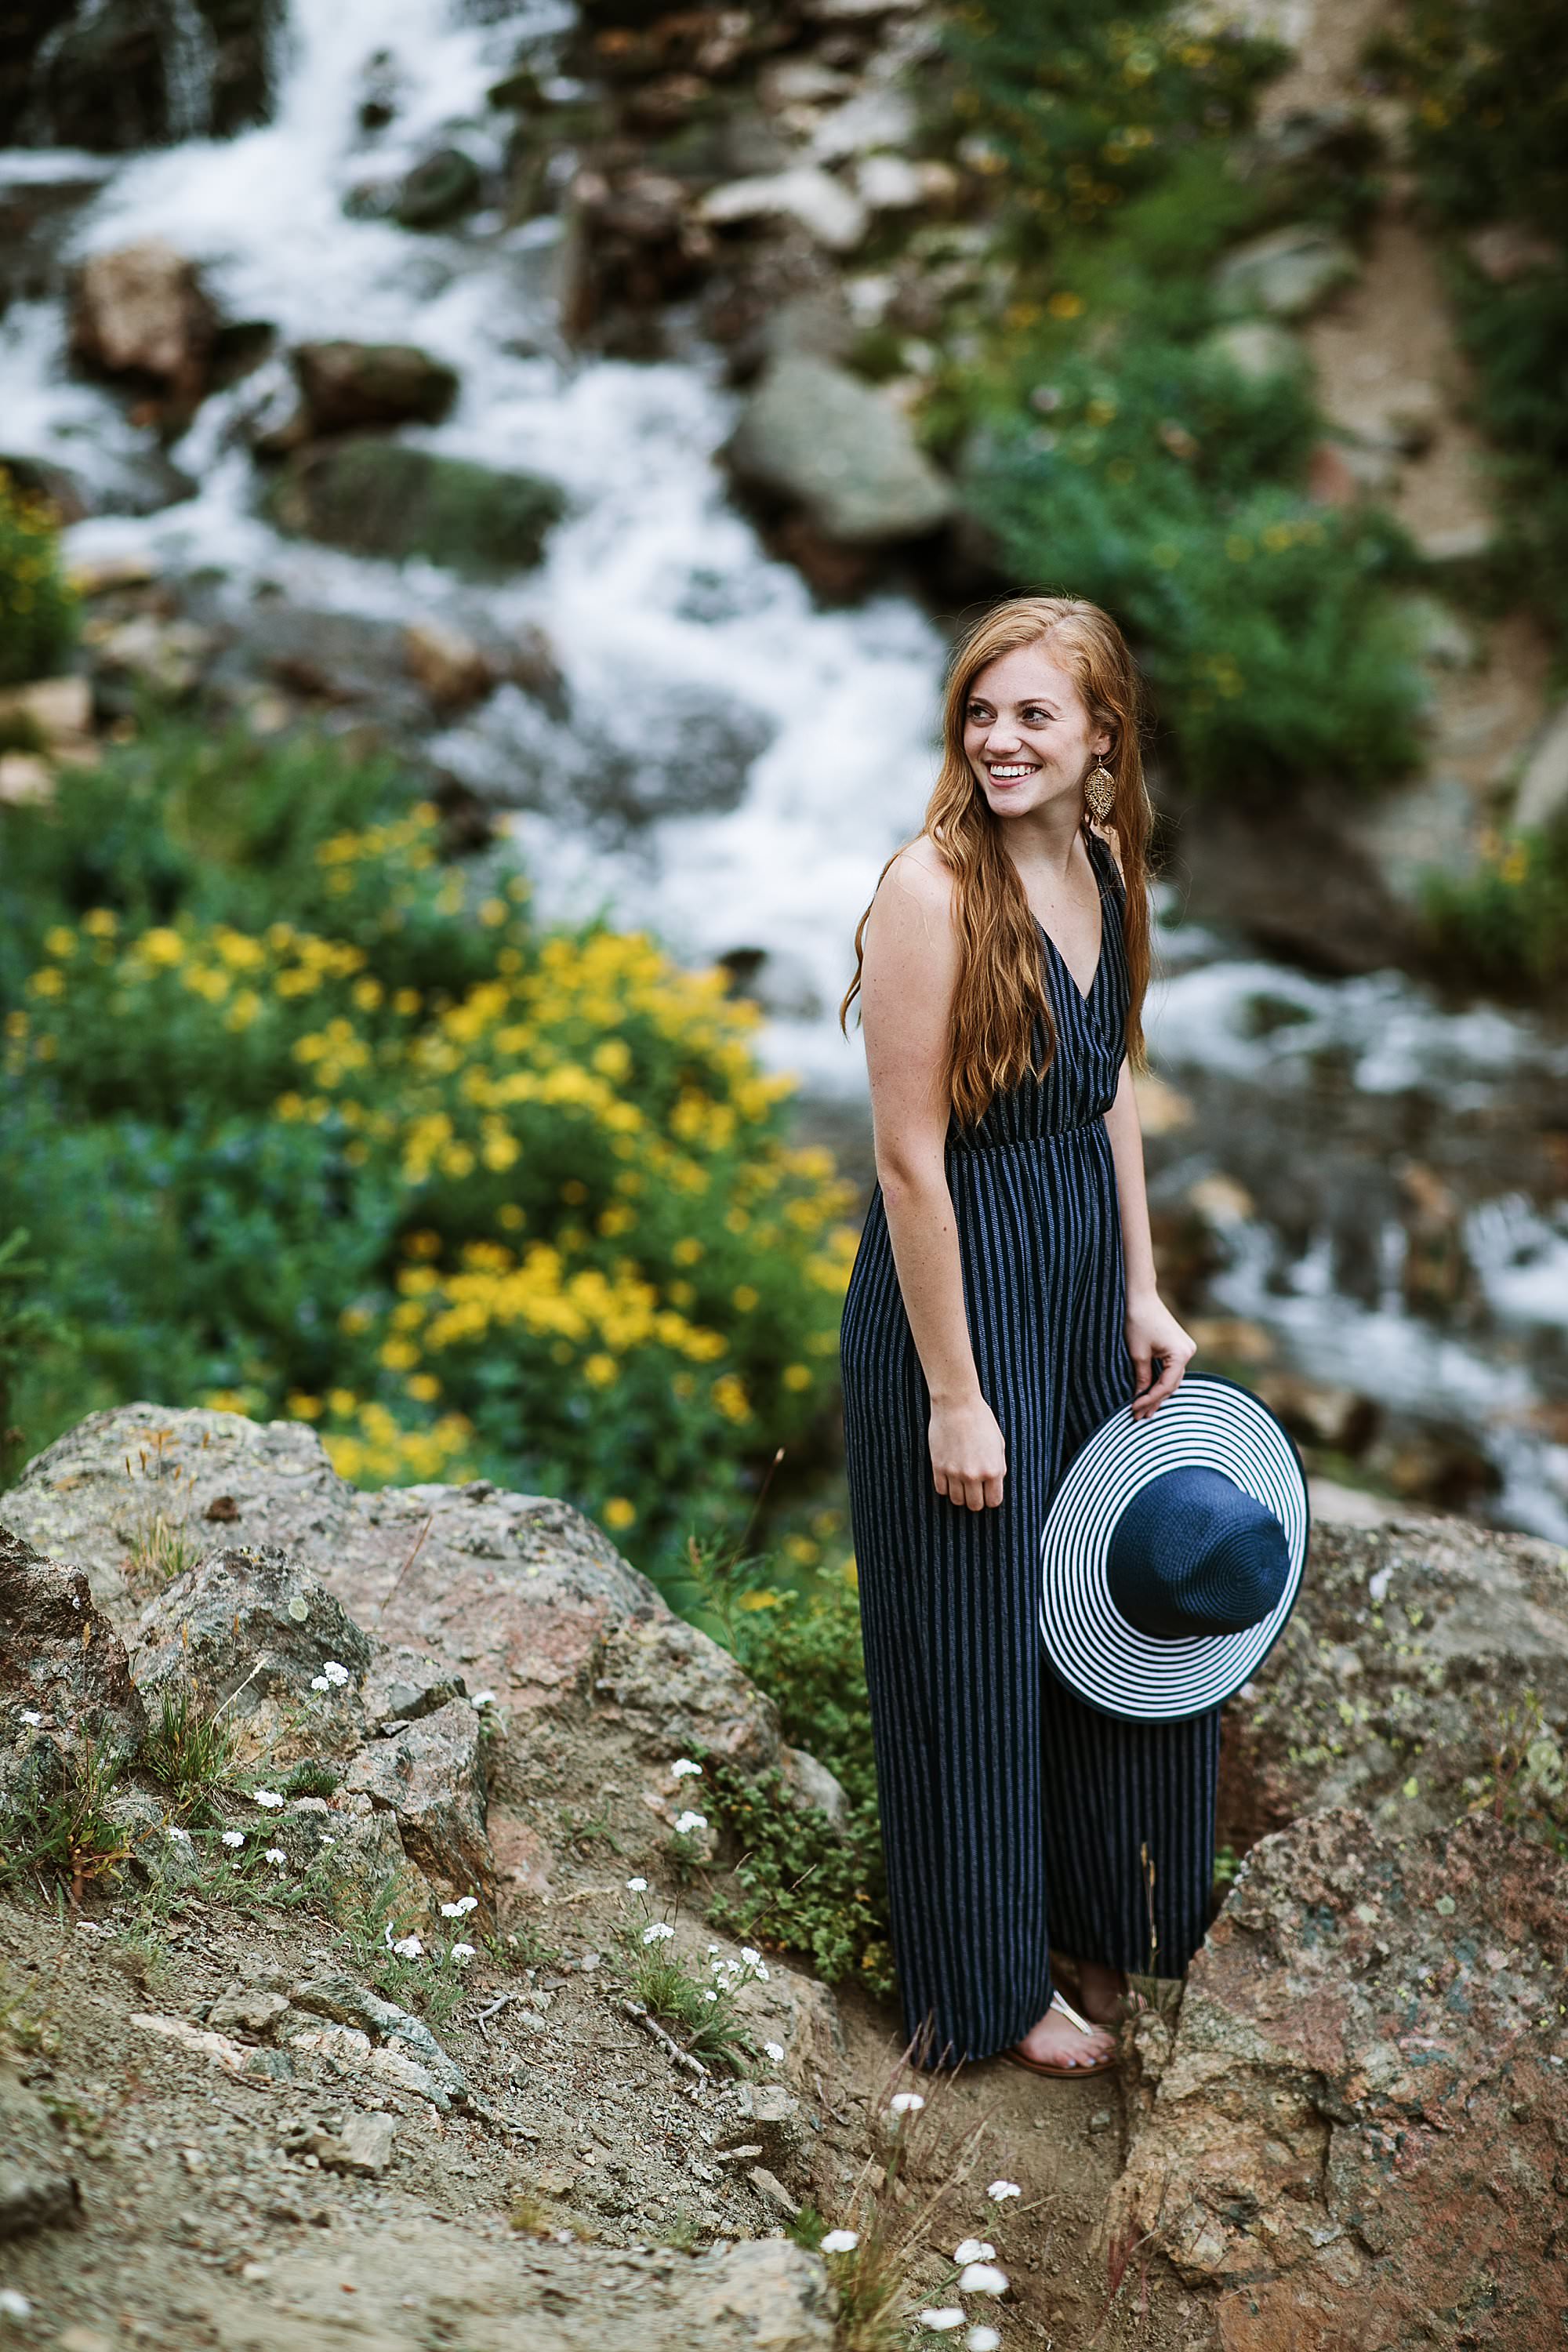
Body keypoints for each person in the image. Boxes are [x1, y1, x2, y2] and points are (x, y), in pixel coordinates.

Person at [837, 590, 1209, 2076]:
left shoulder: (1109, 863)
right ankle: (984, 1991)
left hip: (1071, 1279)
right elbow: (909, 1160)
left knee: (1102, 1602)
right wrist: (954, 1394)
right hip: (961, 1293)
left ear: (1102, 737)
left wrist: (1138, 1284)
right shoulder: (928, 893)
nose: (999, 740)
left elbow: (1112, 1079)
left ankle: (1100, 1920)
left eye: (1034, 714)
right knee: (972, 1638)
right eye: (980, 714)